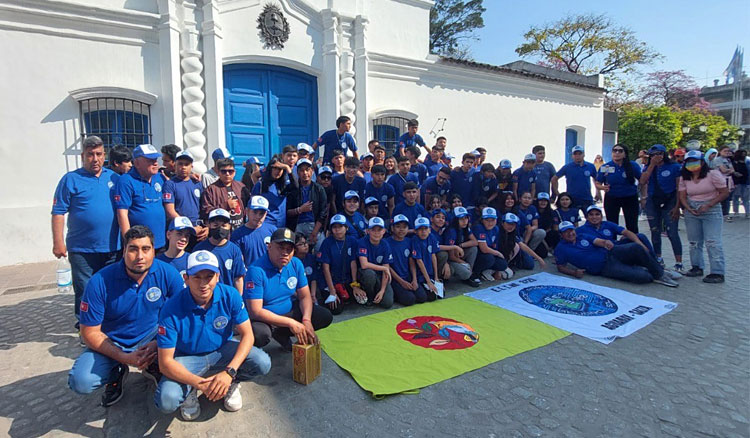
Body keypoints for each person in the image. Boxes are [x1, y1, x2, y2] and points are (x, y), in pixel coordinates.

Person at [68, 226, 185, 406]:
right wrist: (124, 357)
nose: (140, 256)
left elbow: (181, 317)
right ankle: (116, 371)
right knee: (82, 381)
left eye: (146, 249)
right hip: (114, 341)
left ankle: (155, 364)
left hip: (153, 339)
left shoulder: (168, 274)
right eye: (133, 249)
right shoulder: (100, 281)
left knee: (186, 354)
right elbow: (89, 333)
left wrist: (158, 344)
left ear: (154, 251)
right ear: (124, 251)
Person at [153, 250, 271, 420]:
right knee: (167, 400)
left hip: (222, 350)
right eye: (197, 277)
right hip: (187, 357)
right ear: (186, 278)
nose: (203, 284)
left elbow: (247, 335)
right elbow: (165, 362)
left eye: (209, 276)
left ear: (217, 276)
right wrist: (200, 384)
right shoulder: (170, 308)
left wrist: (229, 373)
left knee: (262, 362)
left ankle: (230, 383)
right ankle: (191, 389)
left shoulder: (230, 295)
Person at [52, 135, 120, 325]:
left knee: (109, 287)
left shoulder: (114, 178)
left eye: (99, 154)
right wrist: (58, 243)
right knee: (85, 289)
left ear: (104, 155)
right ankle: (85, 326)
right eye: (90, 154)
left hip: (112, 247)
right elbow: (58, 213)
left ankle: (106, 324)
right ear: (83, 156)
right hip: (82, 249)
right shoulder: (70, 179)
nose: (95, 158)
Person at [244, 228, 333, 350]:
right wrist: (291, 323)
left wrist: (306, 320)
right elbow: (256, 311)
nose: (285, 253)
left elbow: (304, 296)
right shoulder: (256, 271)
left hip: (288, 310)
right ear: (269, 247)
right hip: (266, 318)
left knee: (324, 316)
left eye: (289, 249)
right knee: (260, 334)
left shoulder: (296, 263)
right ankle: (251, 354)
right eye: (280, 247)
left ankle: (282, 334)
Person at [554, 221, 678, 287]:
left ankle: (660, 274)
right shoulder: (561, 248)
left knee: (636, 247)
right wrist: (574, 273)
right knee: (643, 278)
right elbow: (560, 266)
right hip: (604, 268)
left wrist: (605, 242)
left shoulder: (582, 235)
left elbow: (597, 241)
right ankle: (654, 271)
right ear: (561, 235)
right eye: (566, 232)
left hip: (610, 253)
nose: (570, 233)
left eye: (571, 230)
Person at [678, 150, 729, 283]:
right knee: (694, 242)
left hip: (711, 209)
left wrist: (709, 205)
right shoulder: (685, 177)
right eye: (689, 162)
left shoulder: (713, 174)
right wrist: (687, 208)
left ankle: (717, 272)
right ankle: (697, 266)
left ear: (702, 161)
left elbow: (724, 192)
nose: (692, 164)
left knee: (713, 242)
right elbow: (682, 195)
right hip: (692, 210)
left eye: (695, 161)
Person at [114, 144, 167, 250]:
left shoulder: (160, 177)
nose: (155, 163)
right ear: (137, 163)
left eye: (156, 159)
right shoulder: (126, 180)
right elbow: (122, 214)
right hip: (139, 245)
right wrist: (128, 244)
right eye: (150, 160)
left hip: (160, 243)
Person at [639, 144, 683, 269]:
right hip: (653, 201)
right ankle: (658, 258)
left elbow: (679, 188)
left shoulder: (674, 167)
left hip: (670, 201)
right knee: (655, 231)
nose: (657, 156)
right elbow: (642, 181)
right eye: (653, 155)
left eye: (659, 154)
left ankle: (679, 262)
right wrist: (652, 165)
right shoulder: (648, 167)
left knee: (672, 232)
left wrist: (677, 206)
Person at [194, 209, 246, 291]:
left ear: (229, 226)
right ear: (209, 225)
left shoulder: (234, 250)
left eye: (224, 225)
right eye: (216, 225)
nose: (220, 229)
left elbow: (238, 279)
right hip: (205, 296)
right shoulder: (199, 249)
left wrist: (238, 300)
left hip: (228, 297)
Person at [317, 214, 359, 314]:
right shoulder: (327, 242)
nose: (337, 230)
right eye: (334, 227)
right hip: (331, 282)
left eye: (340, 226)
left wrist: (355, 284)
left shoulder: (352, 241)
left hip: (346, 280)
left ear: (346, 228)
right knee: (336, 309)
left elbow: (353, 263)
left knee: (360, 299)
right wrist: (332, 291)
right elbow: (325, 268)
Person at [162, 150, 208, 242]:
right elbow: (170, 211)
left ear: (191, 166)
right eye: (180, 164)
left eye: (186, 164)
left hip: (198, 229)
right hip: (180, 230)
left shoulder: (197, 183)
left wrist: (207, 226)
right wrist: (188, 227)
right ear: (175, 165)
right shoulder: (170, 184)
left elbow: (204, 206)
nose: (183, 167)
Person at [596, 143, 642, 233]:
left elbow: (642, 180)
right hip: (612, 198)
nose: (617, 153)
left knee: (632, 224)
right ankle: (613, 244)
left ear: (625, 154)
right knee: (612, 224)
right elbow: (597, 183)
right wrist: (602, 187)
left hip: (630, 198)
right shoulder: (606, 167)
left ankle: (633, 245)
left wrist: (643, 196)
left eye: (620, 151)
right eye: (614, 150)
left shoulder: (632, 165)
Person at [286, 158, 328, 248]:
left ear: (312, 171)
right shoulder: (292, 189)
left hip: (314, 226)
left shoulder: (319, 189)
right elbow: (287, 211)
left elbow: (323, 212)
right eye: (302, 170)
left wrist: (315, 232)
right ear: (297, 172)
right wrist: (299, 210)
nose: (305, 173)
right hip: (297, 226)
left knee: (321, 248)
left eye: (307, 170)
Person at [201, 157, 251, 230]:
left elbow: (249, 205)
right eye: (224, 171)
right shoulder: (211, 189)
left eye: (230, 171)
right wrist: (225, 205)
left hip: (240, 229)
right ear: (218, 172)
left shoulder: (241, 187)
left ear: (234, 172)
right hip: (222, 231)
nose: (227, 174)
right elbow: (205, 212)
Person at [387, 215, 427, 305]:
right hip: (394, 278)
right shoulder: (387, 243)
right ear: (392, 228)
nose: (401, 230)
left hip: (408, 276)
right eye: (398, 227)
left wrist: (414, 279)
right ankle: (395, 294)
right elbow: (387, 266)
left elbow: (411, 262)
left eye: (404, 227)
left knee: (422, 297)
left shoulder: (409, 241)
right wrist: (402, 282)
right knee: (410, 300)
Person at [356, 217, 395, 308]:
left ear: (384, 231)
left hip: (380, 276)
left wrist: (382, 290)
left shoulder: (385, 244)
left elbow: (386, 269)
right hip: (365, 274)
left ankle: (378, 294)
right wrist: (384, 268)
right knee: (369, 274)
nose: (376, 232)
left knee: (387, 303)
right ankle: (369, 297)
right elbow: (364, 264)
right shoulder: (362, 242)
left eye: (379, 230)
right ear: (368, 231)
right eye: (373, 230)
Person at [230, 196, 276, 269]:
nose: (258, 216)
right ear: (247, 211)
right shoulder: (238, 234)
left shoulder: (273, 230)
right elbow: (238, 260)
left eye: (262, 213)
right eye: (255, 212)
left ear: (266, 214)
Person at [251, 155, 296, 228]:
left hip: (280, 225)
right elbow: (252, 206)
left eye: (280, 169)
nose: (277, 171)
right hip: (265, 224)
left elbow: (295, 187)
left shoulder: (284, 186)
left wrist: (287, 168)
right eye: (275, 168)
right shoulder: (261, 185)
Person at [551, 145, 599, 210]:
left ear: (584, 154)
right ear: (572, 156)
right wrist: (558, 194)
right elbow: (554, 179)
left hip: (587, 199)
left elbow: (596, 179)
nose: (577, 156)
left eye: (580, 154)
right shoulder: (567, 167)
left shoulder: (590, 166)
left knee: (591, 218)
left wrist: (597, 192)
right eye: (575, 154)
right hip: (572, 200)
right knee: (572, 219)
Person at [443, 206, 480, 286]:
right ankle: (467, 274)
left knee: (473, 249)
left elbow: (475, 242)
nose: (464, 221)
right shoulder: (451, 231)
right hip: (450, 260)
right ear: (456, 220)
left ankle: (469, 274)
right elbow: (451, 256)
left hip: (459, 253)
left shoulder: (465, 228)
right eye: (461, 219)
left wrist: (460, 245)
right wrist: (465, 263)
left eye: (466, 218)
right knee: (466, 273)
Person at [471, 208, 510, 281]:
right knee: (489, 259)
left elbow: (495, 246)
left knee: (502, 264)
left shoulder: (496, 229)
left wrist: (498, 270)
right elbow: (484, 249)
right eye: (487, 220)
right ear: (482, 220)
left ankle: (488, 271)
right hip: (479, 255)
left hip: (490, 252)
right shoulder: (479, 228)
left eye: (492, 220)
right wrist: (498, 253)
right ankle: (475, 273)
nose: (490, 223)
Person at [410, 217, 440, 300]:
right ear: (415, 231)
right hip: (420, 275)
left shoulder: (432, 237)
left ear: (429, 230)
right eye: (420, 229)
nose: (423, 231)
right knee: (425, 297)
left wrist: (436, 277)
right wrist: (429, 282)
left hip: (430, 273)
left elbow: (433, 256)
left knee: (439, 294)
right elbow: (419, 261)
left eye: (425, 228)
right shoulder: (415, 240)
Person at [517, 191, 546, 256]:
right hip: (518, 232)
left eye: (529, 198)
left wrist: (528, 229)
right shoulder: (516, 208)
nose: (527, 200)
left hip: (528, 231)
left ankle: (530, 252)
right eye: (525, 198)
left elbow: (535, 225)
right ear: (520, 199)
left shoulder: (532, 208)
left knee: (541, 232)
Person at [712, 145, 736, 221]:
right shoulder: (717, 159)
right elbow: (723, 170)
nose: (727, 152)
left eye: (728, 151)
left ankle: (726, 213)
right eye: (725, 151)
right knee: (722, 197)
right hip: (720, 179)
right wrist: (728, 170)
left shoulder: (728, 160)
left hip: (728, 179)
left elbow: (732, 170)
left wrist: (728, 170)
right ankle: (722, 214)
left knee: (728, 197)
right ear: (720, 151)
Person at [731, 149, 749, 219]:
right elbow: (733, 173)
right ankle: (736, 212)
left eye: (744, 154)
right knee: (736, 198)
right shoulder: (734, 163)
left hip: (746, 183)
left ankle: (747, 212)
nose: (743, 155)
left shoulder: (747, 162)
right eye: (742, 154)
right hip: (737, 182)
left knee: (745, 198)